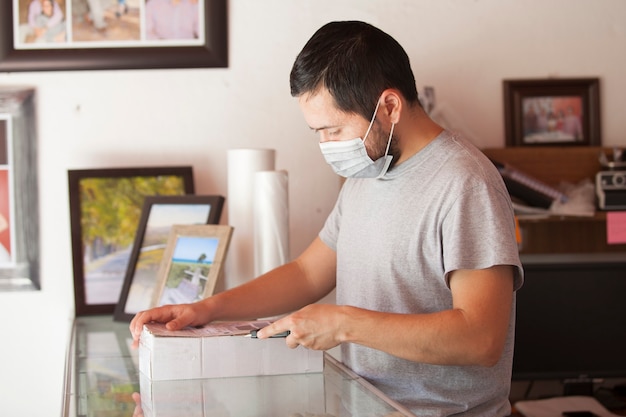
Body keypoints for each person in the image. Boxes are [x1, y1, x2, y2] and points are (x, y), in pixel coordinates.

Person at [130, 21, 523, 416]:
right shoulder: (368, 171)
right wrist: (206, 310)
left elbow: (480, 337)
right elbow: (306, 273)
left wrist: (344, 323)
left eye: (333, 129)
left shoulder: (466, 184)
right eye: (317, 132)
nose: (327, 146)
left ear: (389, 106)